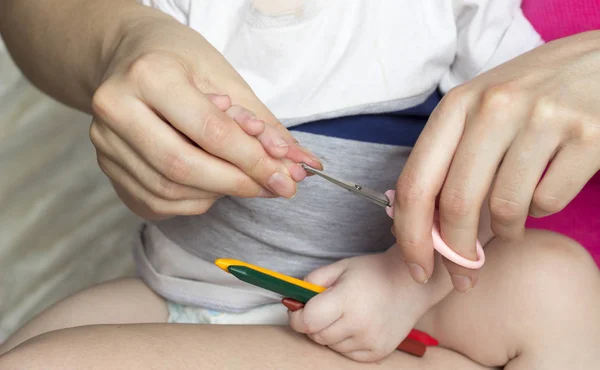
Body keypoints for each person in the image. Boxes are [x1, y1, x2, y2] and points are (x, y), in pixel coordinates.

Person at [1, 0, 599, 368]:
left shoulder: (454, 10)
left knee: (554, 282)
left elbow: (514, 151)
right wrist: (153, 168)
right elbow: (142, 138)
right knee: (34, 349)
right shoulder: (173, 14)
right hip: (188, 293)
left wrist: (404, 283)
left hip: (423, 302)